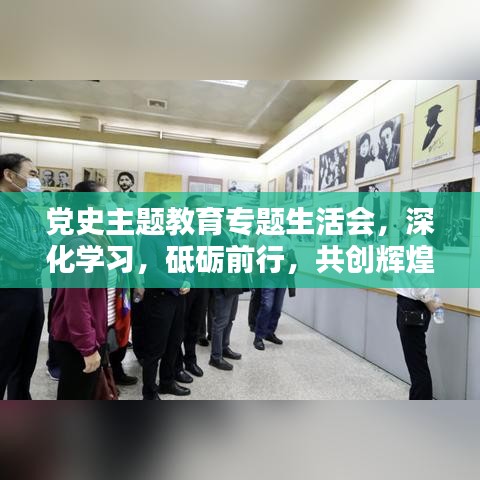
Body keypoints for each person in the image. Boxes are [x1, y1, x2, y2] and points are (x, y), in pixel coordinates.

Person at [50, 181, 111, 399]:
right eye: (106, 204)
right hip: (77, 340)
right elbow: (76, 302)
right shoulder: (79, 246)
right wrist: (87, 347)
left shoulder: (96, 239)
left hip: (91, 333)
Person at [0, 153, 51, 400]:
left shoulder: (29, 210)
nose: (36, 180)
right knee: (3, 359)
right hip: (7, 294)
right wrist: (27, 257)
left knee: (26, 360)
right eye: (31, 174)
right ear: (9, 175)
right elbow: (16, 252)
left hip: (32, 291)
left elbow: (47, 247)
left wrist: (27, 259)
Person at [140, 194, 192, 399]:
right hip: (159, 298)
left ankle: (167, 382)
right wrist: (178, 283)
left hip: (178, 297)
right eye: (170, 209)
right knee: (155, 348)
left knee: (174, 342)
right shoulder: (149, 237)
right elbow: (151, 271)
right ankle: (149, 392)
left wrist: (187, 279)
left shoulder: (175, 233)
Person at [394, 201, 442, 400]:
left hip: (412, 308)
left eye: (404, 214)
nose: (400, 218)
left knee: (417, 365)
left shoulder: (417, 243)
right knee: (416, 363)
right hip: (411, 306)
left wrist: (431, 303)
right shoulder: (414, 241)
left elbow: (419, 279)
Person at [175, 195, 209, 381]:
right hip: (187, 283)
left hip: (203, 281)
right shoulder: (181, 228)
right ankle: (177, 364)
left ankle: (191, 360)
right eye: (199, 207)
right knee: (181, 325)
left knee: (195, 324)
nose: (203, 210)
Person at [209, 217, 244, 371]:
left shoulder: (231, 235)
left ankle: (224, 347)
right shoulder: (218, 236)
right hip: (223, 284)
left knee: (230, 318)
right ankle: (215, 357)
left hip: (234, 282)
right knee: (221, 321)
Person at [253, 231, 294, 351]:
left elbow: (290, 255)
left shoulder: (286, 240)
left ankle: (269, 333)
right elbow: (261, 256)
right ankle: (258, 337)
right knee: (266, 306)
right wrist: (278, 260)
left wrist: (285, 260)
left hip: (282, 276)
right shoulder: (263, 239)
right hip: (269, 275)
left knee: (277, 308)